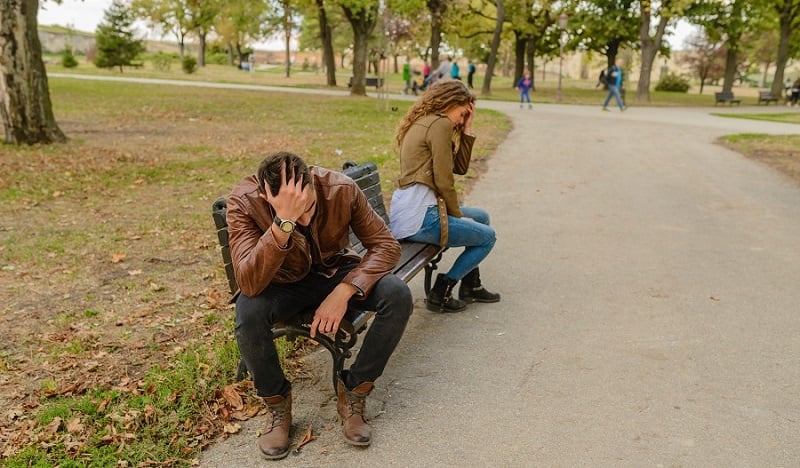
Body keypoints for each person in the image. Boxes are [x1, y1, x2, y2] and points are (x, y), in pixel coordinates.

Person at [227, 151, 413, 459]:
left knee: (397, 293)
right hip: (281, 281)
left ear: (313, 182)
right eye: (291, 213)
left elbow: (386, 246)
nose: (304, 219)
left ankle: (353, 393)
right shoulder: (245, 201)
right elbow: (248, 283)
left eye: (308, 207)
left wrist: (344, 291)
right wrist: (282, 224)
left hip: (333, 272)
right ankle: (277, 407)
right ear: (265, 195)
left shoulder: (339, 188)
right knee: (248, 312)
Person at [389, 81, 500, 313]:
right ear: (451, 103)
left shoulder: (429, 121)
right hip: (421, 217)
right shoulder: (439, 125)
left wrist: (467, 130)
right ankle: (443, 289)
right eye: (462, 114)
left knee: (481, 216)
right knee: (488, 237)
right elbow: (443, 180)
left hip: (416, 209)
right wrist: (456, 216)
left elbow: (458, 168)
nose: (461, 120)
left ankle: (471, 286)